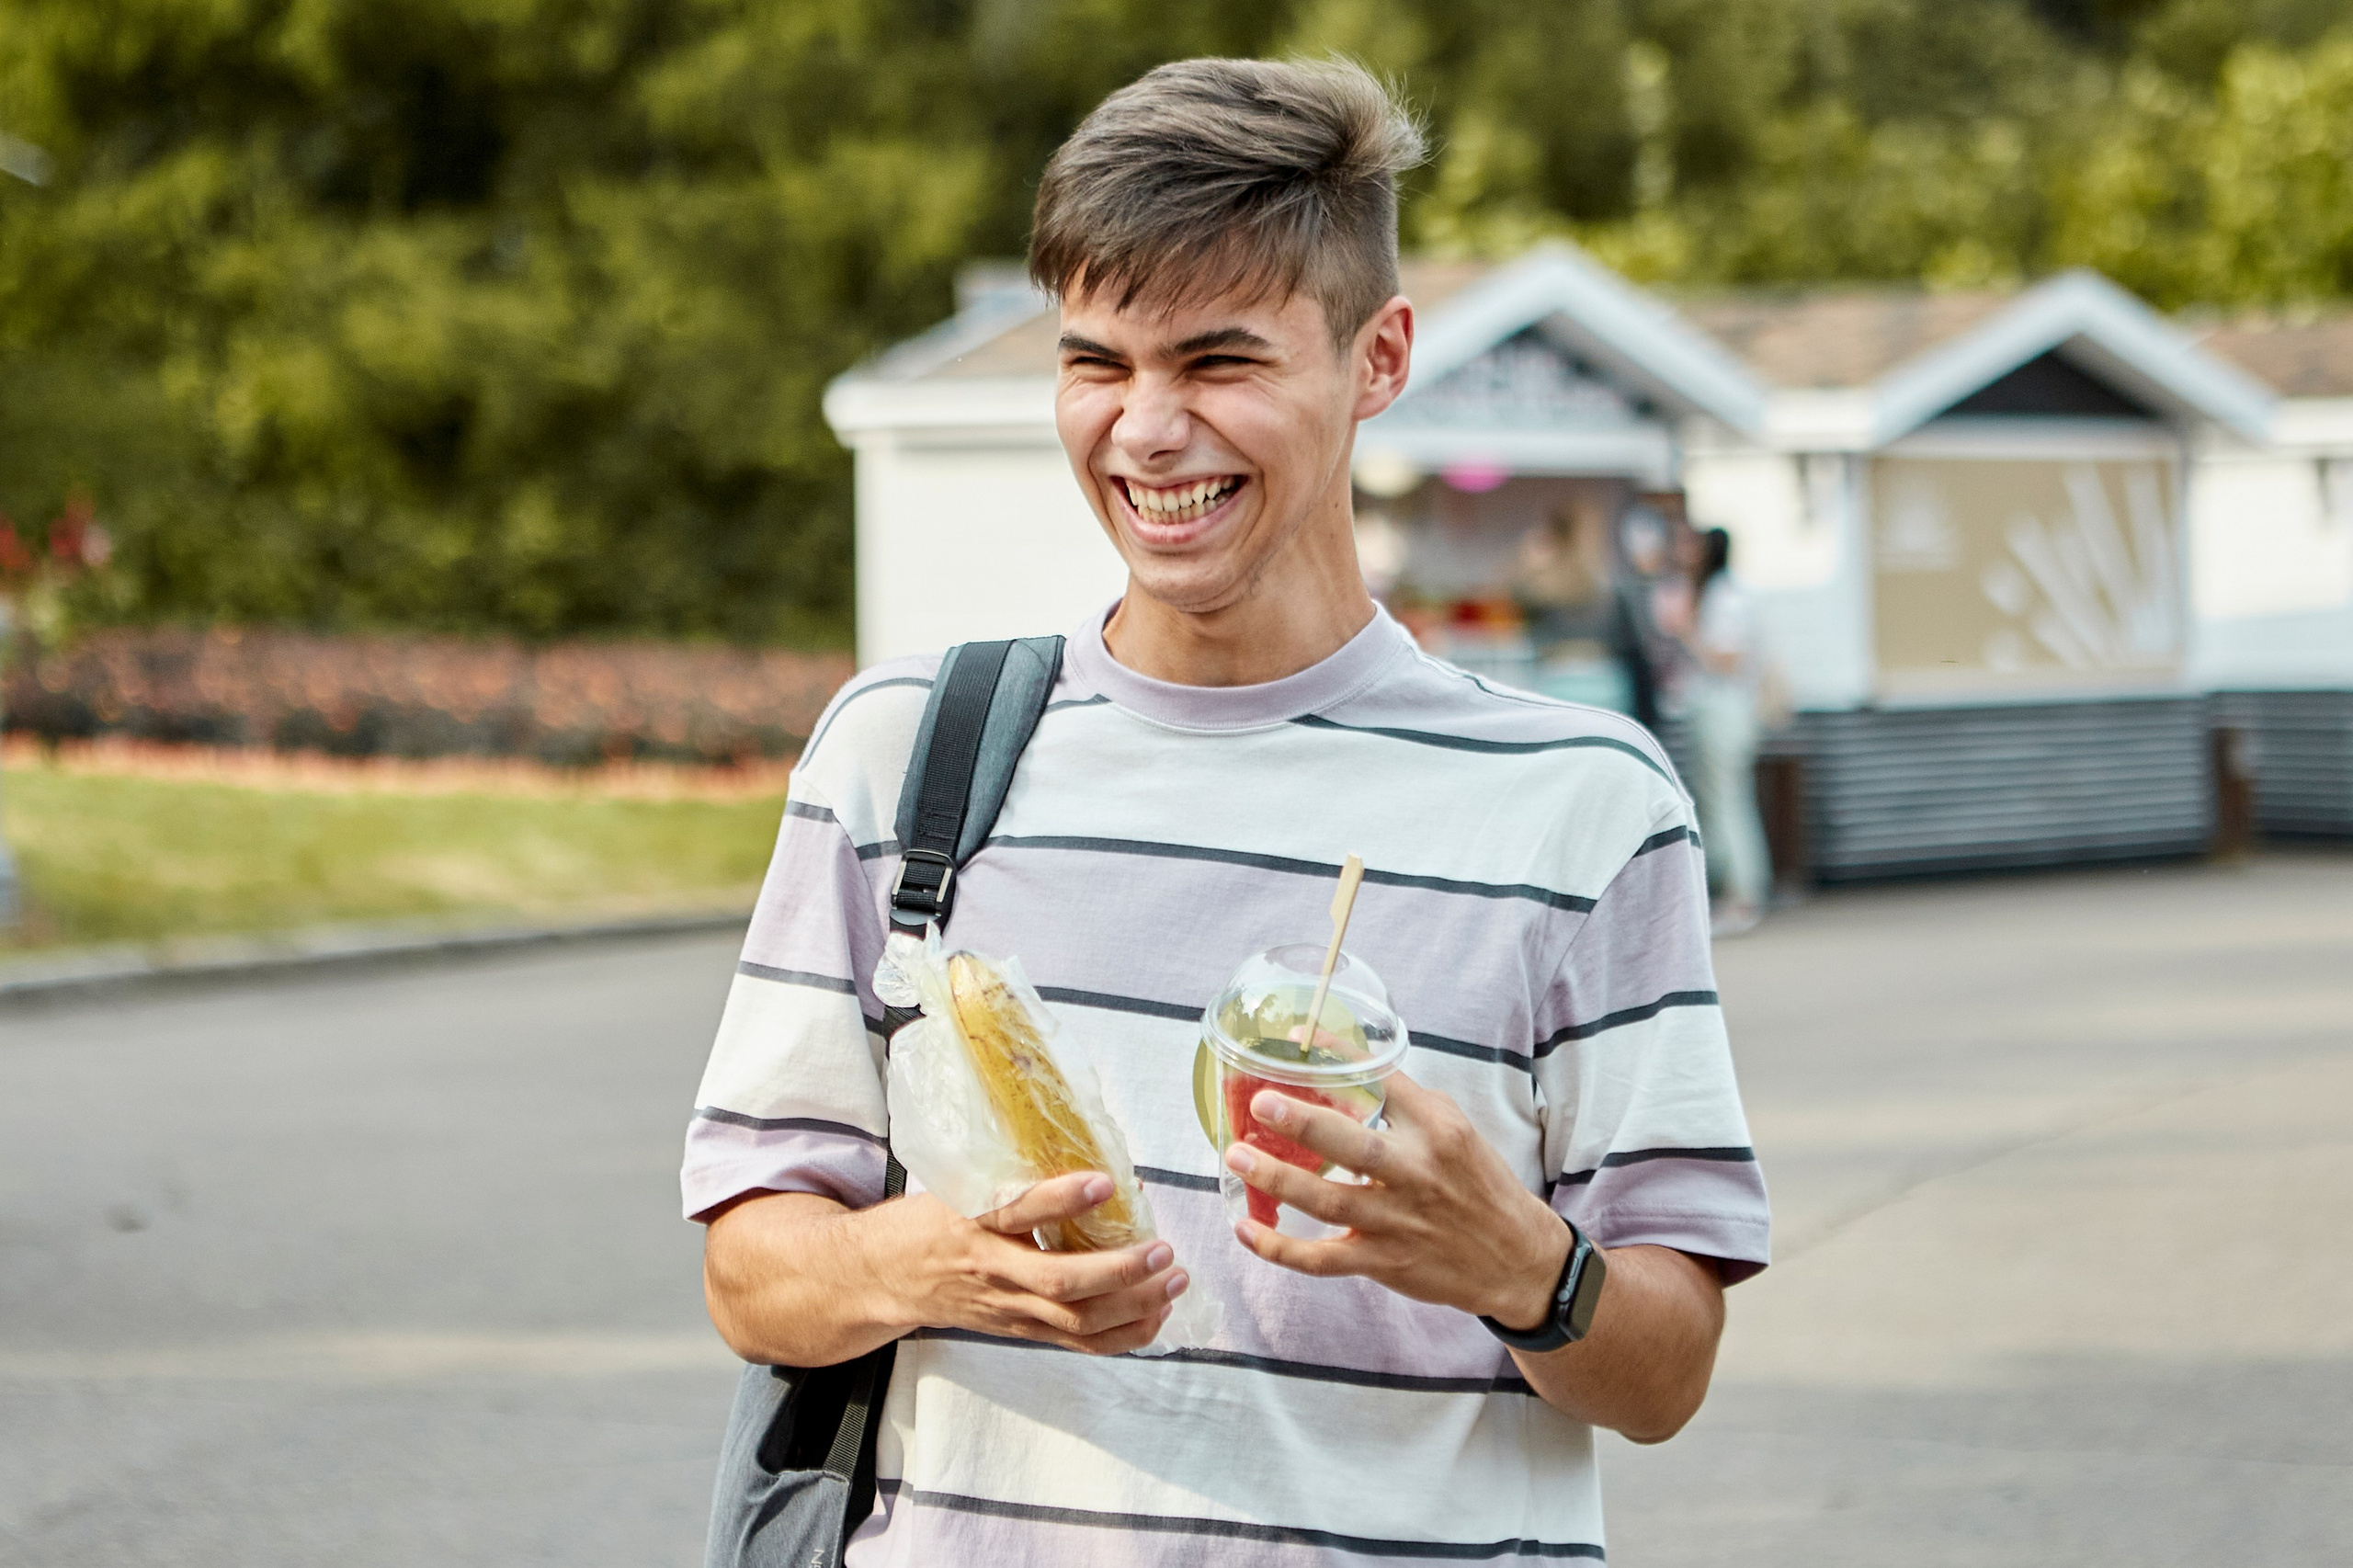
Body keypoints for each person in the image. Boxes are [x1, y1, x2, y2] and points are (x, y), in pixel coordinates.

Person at [686, 58, 1768, 1565]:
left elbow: (1663, 1374)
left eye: (1218, 363)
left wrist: (1519, 1261)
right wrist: (943, 1262)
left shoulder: (1582, 811)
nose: (1144, 431)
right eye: (1097, 363)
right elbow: (757, 1277)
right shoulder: (906, 761)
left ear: (1377, 358)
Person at [1679, 526, 1773, 936]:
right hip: (1721, 707)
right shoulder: (1720, 593)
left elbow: (1727, 659)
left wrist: (1684, 631)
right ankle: (1738, 892)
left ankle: (1743, 896)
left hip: (1725, 708)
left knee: (1727, 800)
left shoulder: (1724, 597)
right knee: (1723, 801)